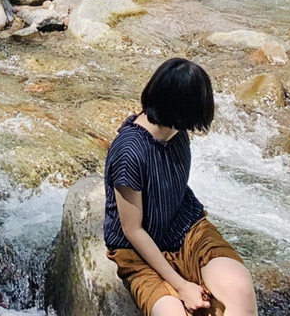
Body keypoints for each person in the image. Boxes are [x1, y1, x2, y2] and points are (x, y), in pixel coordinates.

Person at [105, 58, 256, 316]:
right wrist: (182, 285)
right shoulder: (129, 153)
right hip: (138, 251)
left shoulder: (176, 132)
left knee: (239, 287)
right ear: (179, 110)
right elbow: (133, 230)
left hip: (186, 228)